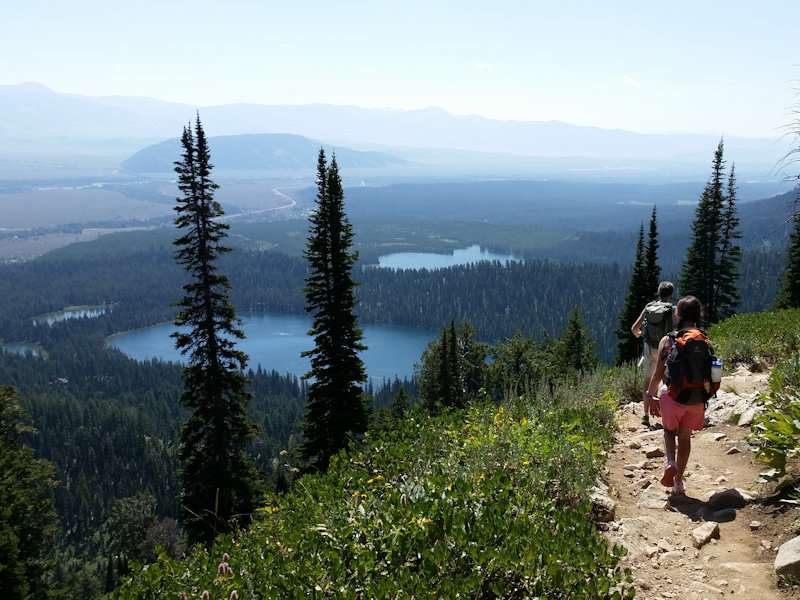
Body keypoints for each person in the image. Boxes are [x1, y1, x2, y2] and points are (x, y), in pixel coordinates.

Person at [646, 295, 707, 496]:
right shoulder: (705, 340)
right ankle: (679, 482)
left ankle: (670, 462)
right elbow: (713, 374)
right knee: (685, 439)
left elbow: (657, 374)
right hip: (696, 399)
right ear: (698, 315)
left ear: (677, 315)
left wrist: (650, 395)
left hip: (672, 396)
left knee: (669, 432)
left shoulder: (669, 340)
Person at [631, 281, 676, 427]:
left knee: (648, 381)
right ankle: (664, 412)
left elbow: (634, 329)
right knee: (662, 378)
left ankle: (645, 414)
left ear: (658, 292)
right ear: (670, 294)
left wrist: (640, 335)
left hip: (649, 348)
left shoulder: (649, 308)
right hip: (666, 348)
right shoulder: (671, 309)